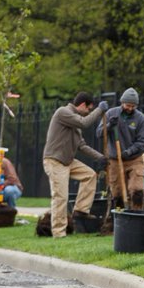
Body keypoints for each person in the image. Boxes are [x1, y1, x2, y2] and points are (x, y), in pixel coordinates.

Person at [41, 92, 108, 238]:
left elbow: (82, 146)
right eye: (89, 109)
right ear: (83, 105)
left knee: (89, 175)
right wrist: (100, 110)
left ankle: (81, 211)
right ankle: (59, 233)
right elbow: (84, 123)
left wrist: (101, 157)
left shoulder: (75, 123)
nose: (88, 113)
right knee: (61, 196)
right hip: (54, 160)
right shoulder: (63, 112)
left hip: (67, 161)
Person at [96, 87, 144, 210]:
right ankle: (119, 222)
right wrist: (109, 125)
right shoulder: (111, 114)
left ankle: (136, 216)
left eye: (133, 106)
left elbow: (142, 142)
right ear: (122, 102)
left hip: (134, 159)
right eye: (128, 105)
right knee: (117, 193)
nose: (130, 108)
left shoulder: (141, 119)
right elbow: (99, 133)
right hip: (115, 159)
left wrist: (129, 151)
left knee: (137, 190)